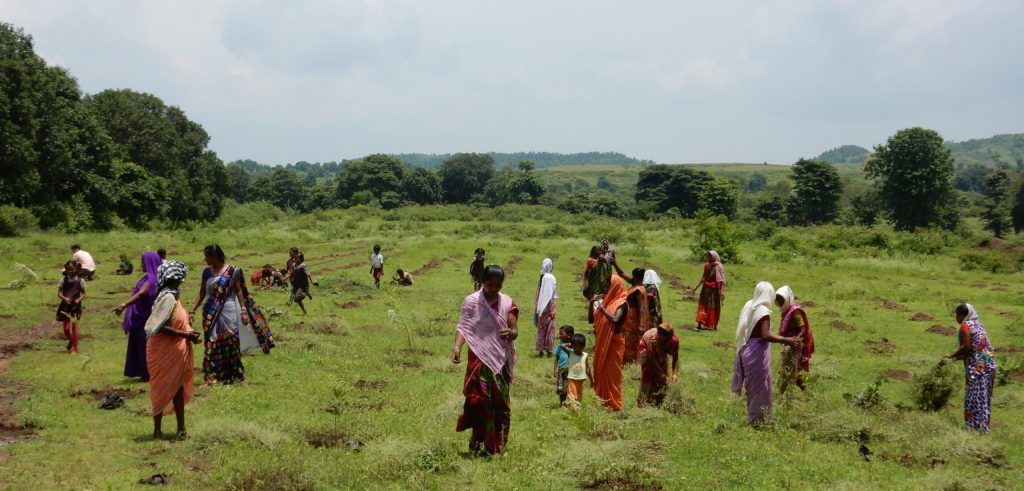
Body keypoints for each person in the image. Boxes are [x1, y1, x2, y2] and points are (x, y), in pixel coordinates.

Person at [451, 264, 519, 455]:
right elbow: (463, 327)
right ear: (482, 282)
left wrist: (510, 333)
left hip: (500, 361)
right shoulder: (472, 302)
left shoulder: (507, 303)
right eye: (490, 285)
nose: (494, 290)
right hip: (478, 359)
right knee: (478, 401)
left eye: (498, 286)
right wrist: (457, 347)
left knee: (500, 403)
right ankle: (476, 440)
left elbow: (514, 331)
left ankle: (496, 446)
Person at [190, 244, 274, 386]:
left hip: (228, 311)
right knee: (211, 342)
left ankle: (238, 376)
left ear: (215, 256)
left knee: (232, 341)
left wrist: (243, 311)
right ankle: (210, 377)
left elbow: (239, 291)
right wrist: (192, 310)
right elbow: (202, 293)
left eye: (207, 256)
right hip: (210, 312)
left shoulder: (232, 271)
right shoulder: (206, 272)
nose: (205, 259)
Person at [143, 260, 201, 440]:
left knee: (177, 388)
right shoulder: (167, 299)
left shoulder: (174, 298)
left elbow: (180, 321)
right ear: (174, 281)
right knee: (160, 387)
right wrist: (185, 334)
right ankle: (157, 430)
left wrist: (189, 332)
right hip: (163, 351)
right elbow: (155, 326)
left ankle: (181, 429)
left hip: (176, 351)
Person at [732, 282, 801, 424]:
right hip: (756, 353)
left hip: (748, 349)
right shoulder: (763, 312)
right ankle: (758, 420)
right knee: (761, 387)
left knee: (753, 386)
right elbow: (765, 335)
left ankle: (755, 417)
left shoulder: (751, 306)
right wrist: (786, 340)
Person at [944, 303, 998, 433]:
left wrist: (950, 357)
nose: (956, 318)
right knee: (983, 398)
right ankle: (982, 428)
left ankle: (974, 428)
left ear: (964, 315)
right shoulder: (979, 325)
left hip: (978, 369)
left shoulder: (966, 325)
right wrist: (952, 360)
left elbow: (966, 348)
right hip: (988, 365)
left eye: (958, 315)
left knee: (974, 398)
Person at [113, 252, 163, 381]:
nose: (142, 265)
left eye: (143, 262)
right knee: (140, 344)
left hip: (144, 317)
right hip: (143, 316)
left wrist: (123, 304)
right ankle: (143, 371)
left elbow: (141, 294)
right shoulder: (151, 277)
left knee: (144, 345)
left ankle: (147, 373)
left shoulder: (151, 279)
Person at [593, 275, 629, 411]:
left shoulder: (621, 303)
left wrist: (602, 309)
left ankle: (615, 403)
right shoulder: (609, 301)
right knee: (602, 372)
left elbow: (615, 319)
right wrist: (594, 305)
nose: (607, 287)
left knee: (613, 375)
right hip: (604, 341)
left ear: (616, 285)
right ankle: (603, 401)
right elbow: (593, 320)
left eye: (609, 284)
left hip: (614, 342)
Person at [775, 286, 814, 394]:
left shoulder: (795, 312)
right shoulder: (786, 310)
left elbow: (803, 330)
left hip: (796, 343)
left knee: (791, 372)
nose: (779, 303)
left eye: (781, 300)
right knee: (788, 371)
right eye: (777, 300)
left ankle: (781, 394)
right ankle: (781, 394)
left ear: (786, 299)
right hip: (789, 341)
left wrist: (795, 341)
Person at [612, 263, 648, 363]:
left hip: (633, 320)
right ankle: (625, 359)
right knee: (626, 338)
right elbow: (621, 273)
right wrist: (615, 263)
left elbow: (642, 308)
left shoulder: (639, 291)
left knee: (630, 339)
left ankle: (629, 361)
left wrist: (641, 325)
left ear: (635, 277)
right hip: (627, 319)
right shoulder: (635, 284)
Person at [637, 322, 680, 407]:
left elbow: (675, 358)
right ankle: (644, 402)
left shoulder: (674, 341)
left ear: (669, 337)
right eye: (659, 335)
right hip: (646, 350)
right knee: (649, 374)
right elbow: (650, 361)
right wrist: (661, 374)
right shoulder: (651, 339)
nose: (659, 337)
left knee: (663, 372)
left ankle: (659, 401)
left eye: (663, 336)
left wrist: (674, 374)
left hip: (659, 352)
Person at [55, 261, 86, 354]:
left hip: (75, 307)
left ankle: (75, 349)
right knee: (66, 328)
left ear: (76, 269)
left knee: (74, 328)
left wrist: (78, 300)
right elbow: (59, 293)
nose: (71, 271)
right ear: (66, 269)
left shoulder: (80, 281)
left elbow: (83, 294)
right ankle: (72, 341)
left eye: (72, 269)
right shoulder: (63, 280)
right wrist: (65, 298)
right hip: (65, 306)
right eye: (68, 270)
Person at [692, 250, 726, 331]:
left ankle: (714, 326)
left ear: (714, 257)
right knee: (703, 307)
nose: (708, 258)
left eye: (709, 256)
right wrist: (696, 286)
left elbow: (721, 281)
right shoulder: (707, 265)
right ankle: (699, 325)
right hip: (705, 290)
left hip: (714, 291)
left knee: (713, 307)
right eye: (707, 256)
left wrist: (722, 292)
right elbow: (703, 277)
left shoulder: (719, 266)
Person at [534, 258, 558, 357]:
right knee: (550, 329)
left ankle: (540, 351)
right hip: (549, 307)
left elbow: (538, 294)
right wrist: (552, 309)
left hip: (540, 307)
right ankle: (549, 351)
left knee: (541, 329)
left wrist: (537, 308)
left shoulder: (542, 277)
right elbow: (551, 295)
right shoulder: (550, 277)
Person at [565, 333, 594, 409]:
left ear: (584, 346)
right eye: (575, 346)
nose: (578, 348)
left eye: (580, 346)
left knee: (579, 395)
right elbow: (562, 346)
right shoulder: (570, 353)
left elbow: (587, 368)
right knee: (572, 395)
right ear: (572, 346)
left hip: (581, 379)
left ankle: (575, 407)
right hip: (572, 378)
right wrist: (570, 344)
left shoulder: (585, 355)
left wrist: (591, 380)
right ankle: (574, 409)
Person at [552, 326, 573, 406]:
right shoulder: (560, 345)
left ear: (569, 335)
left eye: (561, 334)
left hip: (571, 370)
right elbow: (556, 358)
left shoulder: (574, 345)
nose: (559, 336)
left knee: (570, 388)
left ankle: (570, 403)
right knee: (562, 389)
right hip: (562, 370)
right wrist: (555, 369)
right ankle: (562, 403)